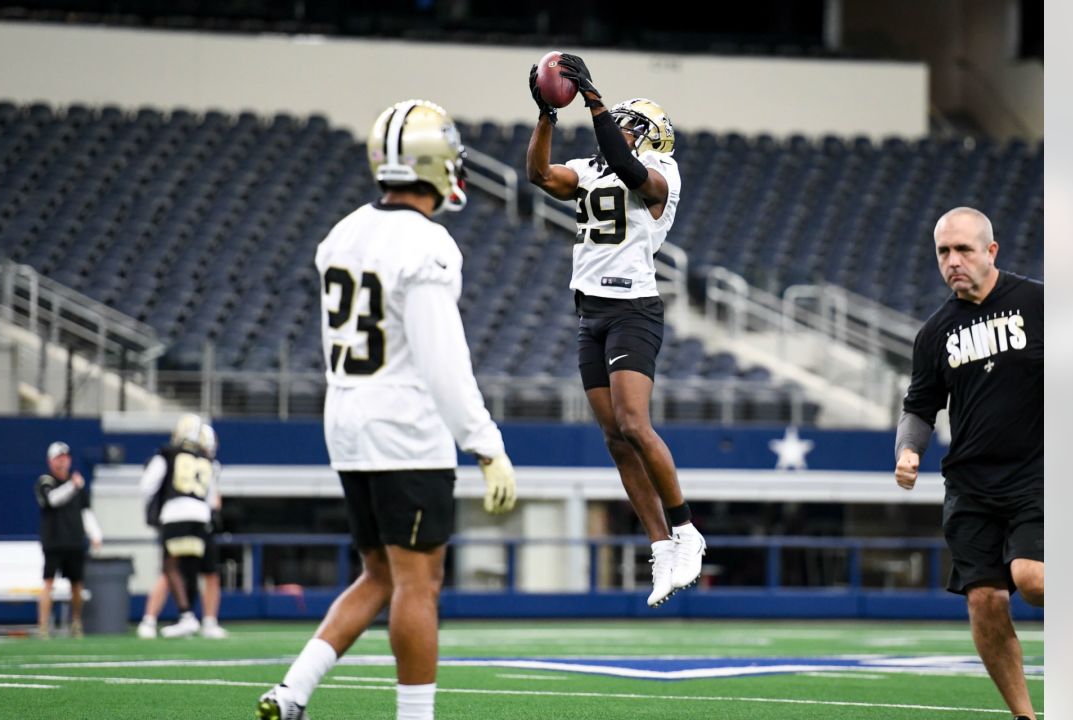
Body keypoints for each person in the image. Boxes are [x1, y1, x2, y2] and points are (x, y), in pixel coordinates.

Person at [256, 99, 517, 720]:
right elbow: (442, 362)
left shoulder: (342, 231)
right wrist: (486, 444)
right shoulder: (426, 243)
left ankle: (293, 691)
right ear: (433, 165)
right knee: (418, 582)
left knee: (379, 573)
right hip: (404, 423)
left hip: (346, 417)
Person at [525, 53, 705, 608]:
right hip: (591, 312)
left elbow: (632, 172)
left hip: (633, 309)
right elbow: (539, 175)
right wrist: (547, 116)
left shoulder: (663, 173)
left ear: (646, 132)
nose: (618, 127)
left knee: (634, 422)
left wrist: (595, 101)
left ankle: (687, 530)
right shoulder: (592, 165)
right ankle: (661, 546)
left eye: (629, 122)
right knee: (613, 438)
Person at [895, 207, 1043, 720]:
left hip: (1039, 473)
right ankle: (1025, 716)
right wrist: (908, 450)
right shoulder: (935, 333)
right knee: (984, 600)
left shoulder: (1039, 303)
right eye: (943, 252)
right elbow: (919, 407)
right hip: (971, 485)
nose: (953, 261)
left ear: (991, 251)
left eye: (964, 250)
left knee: (1033, 579)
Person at [138, 419, 227, 639]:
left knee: (171, 567)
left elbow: (146, 486)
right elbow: (213, 501)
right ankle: (199, 620)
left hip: (176, 514)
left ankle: (179, 617)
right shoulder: (208, 461)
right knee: (195, 570)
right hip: (201, 518)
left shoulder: (167, 454)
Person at [35, 441, 102, 639]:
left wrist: (95, 534)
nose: (62, 462)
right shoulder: (45, 482)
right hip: (53, 541)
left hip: (74, 541)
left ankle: (76, 622)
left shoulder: (78, 487)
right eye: (58, 458)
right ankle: (43, 626)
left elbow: (86, 512)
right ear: (50, 461)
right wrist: (72, 485)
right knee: (49, 582)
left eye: (65, 458)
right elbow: (53, 500)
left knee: (77, 584)